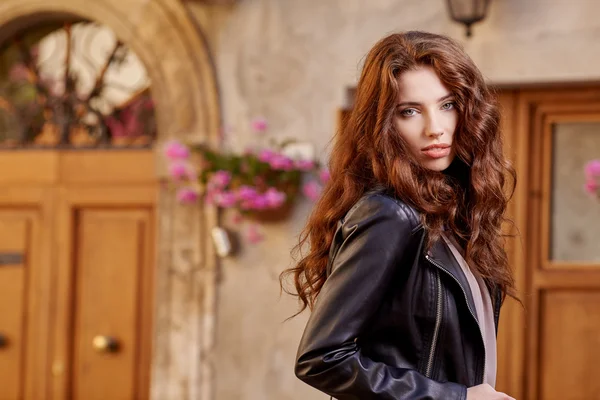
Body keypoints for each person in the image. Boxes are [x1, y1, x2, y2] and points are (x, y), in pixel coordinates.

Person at [280, 31, 518, 400]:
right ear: (385, 124)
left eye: (448, 105)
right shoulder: (389, 215)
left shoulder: (450, 215)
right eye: (409, 111)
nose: (434, 128)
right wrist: (457, 398)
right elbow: (321, 357)